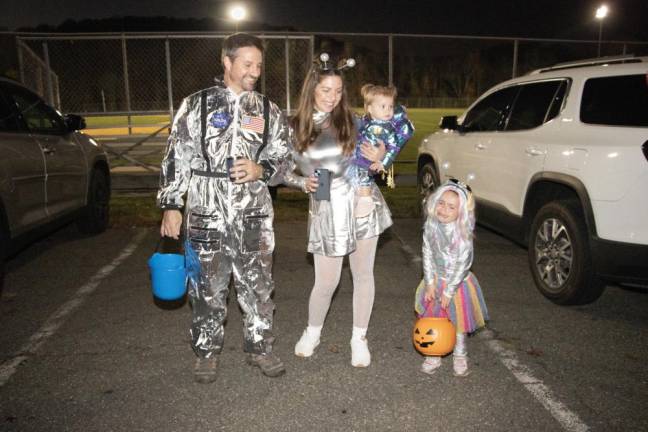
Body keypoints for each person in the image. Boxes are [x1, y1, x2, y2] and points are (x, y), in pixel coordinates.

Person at [157, 33, 289, 382]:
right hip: (205, 209)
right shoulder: (196, 105)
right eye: (247, 64)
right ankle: (206, 351)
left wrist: (262, 169)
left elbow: (283, 158)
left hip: (253, 213)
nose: (255, 71)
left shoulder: (267, 109)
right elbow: (176, 156)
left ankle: (260, 347)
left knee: (258, 282)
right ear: (226, 61)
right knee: (206, 284)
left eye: (259, 65)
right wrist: (172, 203)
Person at [282, 54, 392, 367]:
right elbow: (278, 172)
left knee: (363, 275)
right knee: (326, 282)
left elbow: (381, 153)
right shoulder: (294, 127)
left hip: (361, 203)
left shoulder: (355, 121)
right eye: (326, 90)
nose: (333, 97)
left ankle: (359, 337)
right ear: (311, 91)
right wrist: (303, 183)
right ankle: (312, 332)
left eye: (339, 91)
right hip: (327, 209)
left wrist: (380, 154)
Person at [413, 179, 489, 377]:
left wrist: (448, 291)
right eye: (441, 203)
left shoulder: (462, 234)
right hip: (435, 280)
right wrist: (430, 283)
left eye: (451, 207)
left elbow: (462, 265)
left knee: (458, 322)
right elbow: (427, 254)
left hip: (457, 285)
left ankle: (460, 355)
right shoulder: (430, 227)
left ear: (461, 212)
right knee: (433, 317)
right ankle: (434, 353)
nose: (444, 210)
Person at [349, 84, 414, 216]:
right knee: (356, 178)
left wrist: (383, 163)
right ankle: (360, 201)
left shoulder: (388, 129)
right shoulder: (366, 122)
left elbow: (393, 148)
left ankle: (366, 200)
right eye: (383, 106)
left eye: (390, 106)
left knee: (364, 177)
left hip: (366, 161)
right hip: (354, 159)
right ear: (369, 109)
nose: (388, 110)